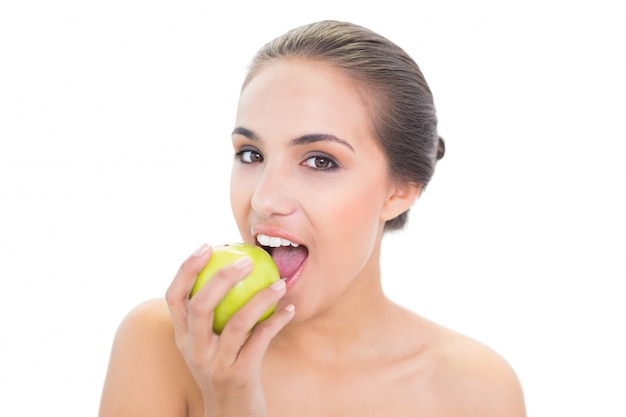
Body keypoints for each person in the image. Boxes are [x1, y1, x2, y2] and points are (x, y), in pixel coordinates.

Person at [98, 20, 526, 416]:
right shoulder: (164, 344)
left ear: (401, 189)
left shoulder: (477, 389)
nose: (265, 199)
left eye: (320, 161)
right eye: (251, 154)